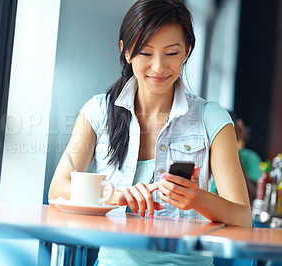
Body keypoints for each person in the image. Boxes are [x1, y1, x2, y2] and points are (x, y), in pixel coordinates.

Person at [49, 0, 251, 264]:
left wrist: (198, 199)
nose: (158, 67)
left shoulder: (212, 118)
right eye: (145, 53)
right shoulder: (97, 112)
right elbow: (58, 189)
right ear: (126, 51)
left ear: (187, 52)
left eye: (171, 53)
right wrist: (115, 195)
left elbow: (242, 216)